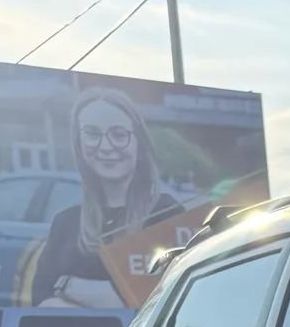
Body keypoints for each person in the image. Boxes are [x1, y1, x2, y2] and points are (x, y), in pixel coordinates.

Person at [33, 87, 183, 308]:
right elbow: (41, 302)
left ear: (139, 143)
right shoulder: (65, 223)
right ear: (79, 144)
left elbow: (158, 302)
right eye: (92, 134)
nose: (106, 147)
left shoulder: (166, 213)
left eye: (119, 135)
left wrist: (69, 286)